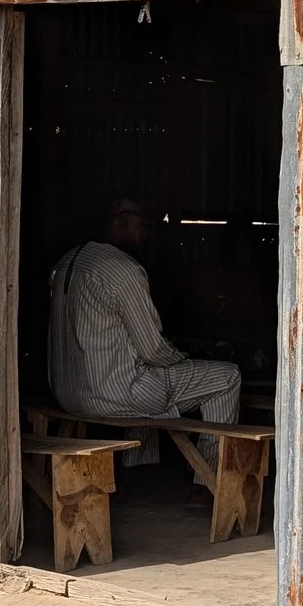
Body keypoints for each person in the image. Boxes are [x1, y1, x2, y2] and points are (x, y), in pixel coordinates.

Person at [47, 199, 242, 464]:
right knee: (227, 377)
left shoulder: (67, 262)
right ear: (122, 218)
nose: (148, 231)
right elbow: (154, 351)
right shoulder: (123, 270)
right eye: (144, 224)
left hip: (67, 394)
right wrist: (186, 357)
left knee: (143, 375)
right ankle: (208, 485)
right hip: (113, 396)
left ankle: (139, 475)